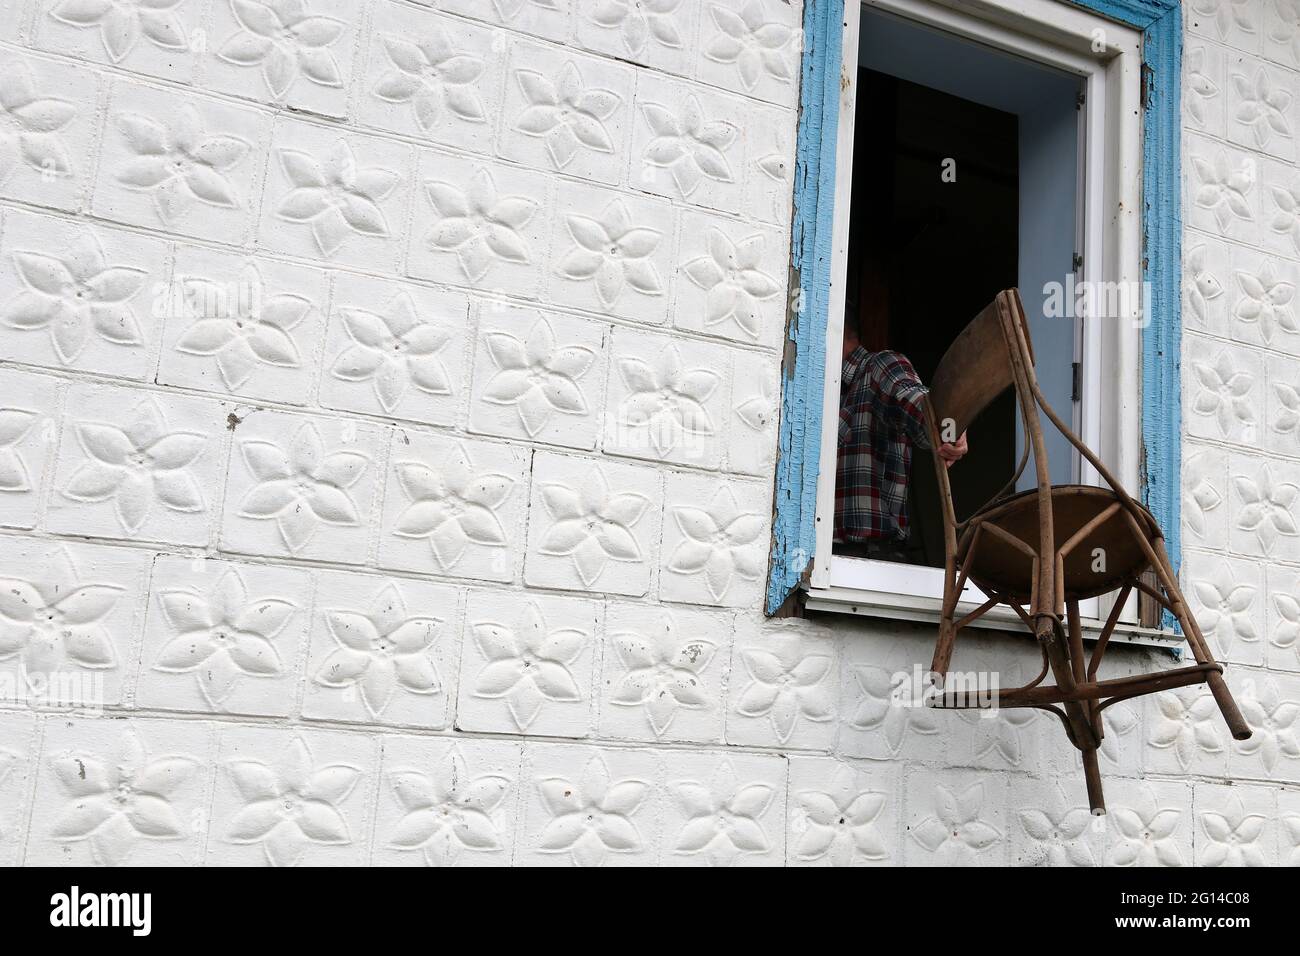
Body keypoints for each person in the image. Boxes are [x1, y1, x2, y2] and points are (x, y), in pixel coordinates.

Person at [835, 257, 968, 561]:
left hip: (870, 566)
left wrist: (949, 423)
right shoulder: (828, 393)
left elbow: (920, 405)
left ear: (834, 329)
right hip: (830, 565)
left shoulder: (878, 368)